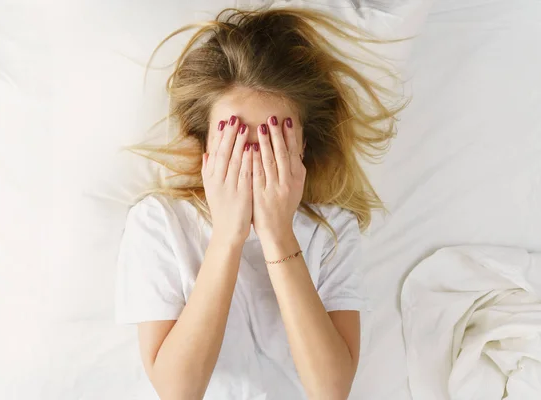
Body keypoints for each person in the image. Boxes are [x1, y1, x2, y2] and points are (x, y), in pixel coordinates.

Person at [115, 7, 403, 400]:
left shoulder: (332, 230)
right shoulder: (159, 223)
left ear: (301, 144)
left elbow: (331, 390)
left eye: (273, 141)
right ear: (205, 145)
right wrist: (228, 237)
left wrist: (277, 233)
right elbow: (178, 391)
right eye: (236, 140)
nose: (254, 158)